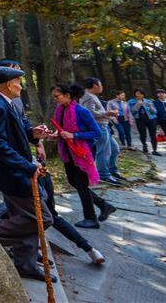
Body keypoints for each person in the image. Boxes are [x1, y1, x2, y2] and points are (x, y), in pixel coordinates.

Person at [0, 66, 54, 282]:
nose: (20, 86)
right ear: (7, 83)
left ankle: (26, 263)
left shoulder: (5, 102)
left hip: (16, 170)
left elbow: (11, 133)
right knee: (41, 218)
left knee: (26, 214)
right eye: (18, 81)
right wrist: (28, 166)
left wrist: (32, 134)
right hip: (12, 173)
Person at [51, 84, 117, 229]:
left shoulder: (81, 111)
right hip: (68, 151)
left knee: (81, 184)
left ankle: (91, 218)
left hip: (82, 153)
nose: (55, 99)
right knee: (74, 182)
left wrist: (74, 135)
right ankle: (103, 205)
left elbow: (97, 133)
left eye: (57, 96)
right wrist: (57, 135)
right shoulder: (60, 110)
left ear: (67, 95)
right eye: (54, 96)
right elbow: (63, 129)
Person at [79, 78, 122, 185]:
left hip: (104, 125)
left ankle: (112, 170)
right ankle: (103, 175)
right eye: (100, 84)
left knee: (115, 149)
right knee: (103, 152)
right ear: (95, 85)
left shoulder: (92, 96)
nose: (102, 86)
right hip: (99, 127)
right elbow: (90, 113)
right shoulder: (88, 96)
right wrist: (108, 113)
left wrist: (108, 114)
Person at [131, 89, 160, 155]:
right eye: (137, 93)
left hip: (151, 119)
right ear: (135, 94)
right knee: (143, 134)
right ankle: (144, 145)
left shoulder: (148, 101)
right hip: (140, 119)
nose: (139, 95)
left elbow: (155, 112)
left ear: (143, 94)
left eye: (141, 93)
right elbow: (132, 111)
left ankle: (155, 150)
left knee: (153, 134)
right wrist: (137, 105)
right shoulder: (132, 101)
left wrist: (150, 107)